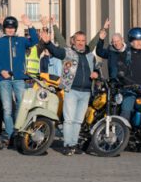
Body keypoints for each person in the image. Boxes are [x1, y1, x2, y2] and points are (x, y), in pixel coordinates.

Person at [38, 24, 98, 156]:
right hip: (71, 90)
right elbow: (56, 51)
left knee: (78, 121)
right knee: (69, 119)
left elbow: (96, 68)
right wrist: (47, 43)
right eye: (78, 40)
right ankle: (67, 145)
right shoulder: (68, 52)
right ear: (74, 41)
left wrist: (96, 73)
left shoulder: (90, 56)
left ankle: (73, 144)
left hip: (86, 92)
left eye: (83, 40)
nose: (81, 43)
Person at [0, 15, 39, 145]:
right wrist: (1, 71)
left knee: (21, 106)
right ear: (4, 28)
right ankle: (10, 134)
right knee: (7, 108)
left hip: (19, 78)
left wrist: (30, 25)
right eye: (8, 27)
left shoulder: (21, 40)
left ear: (16, 28)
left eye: (12, 27)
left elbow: (35, 40)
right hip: (4, 79)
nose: (10, 29)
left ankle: (18, 131)